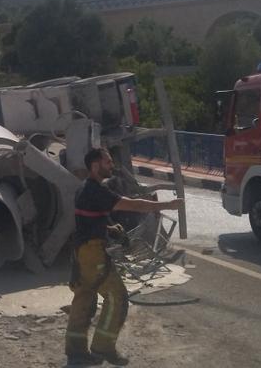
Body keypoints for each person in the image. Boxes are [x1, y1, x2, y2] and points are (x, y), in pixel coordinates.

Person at [65, 147, 184, 366]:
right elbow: (134, 204)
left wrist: (110, 229)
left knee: (84, 299)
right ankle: (103, 348)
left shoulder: (84, 188)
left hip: (82, 251)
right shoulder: (96, 190)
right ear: (95, 165)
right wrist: (167, 205)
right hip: (92, 254)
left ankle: (76, 351)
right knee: (117, 298)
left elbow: (88, 218)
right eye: (107, 162)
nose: (112, 165)